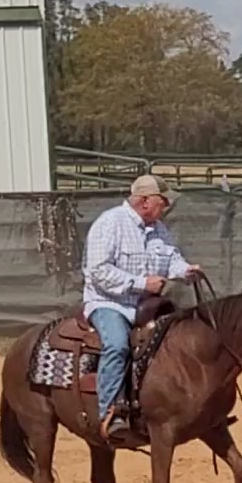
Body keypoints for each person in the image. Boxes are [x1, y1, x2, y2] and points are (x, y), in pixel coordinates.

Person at [81, 174, 201, 443]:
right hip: (110, 303)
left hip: (149, 306)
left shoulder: (159, 228)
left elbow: (172, 258)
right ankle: (109, 413)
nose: (167, 206)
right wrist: (141, 283)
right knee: (118, 345)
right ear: (145, 202)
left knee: (183, 342)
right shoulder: (109, 224)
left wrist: (186, 271)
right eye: (164, 201)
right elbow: (98, 271)